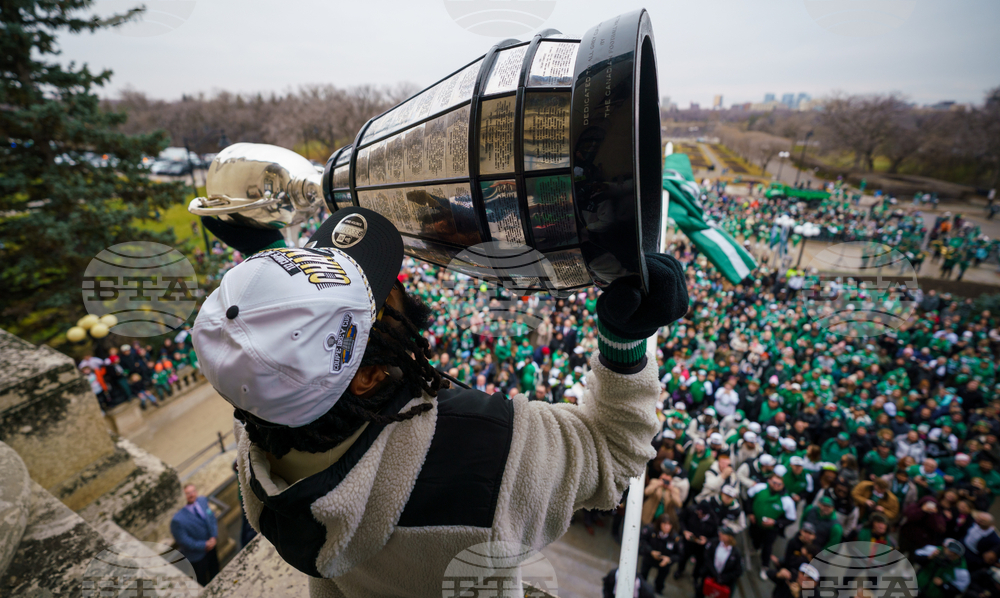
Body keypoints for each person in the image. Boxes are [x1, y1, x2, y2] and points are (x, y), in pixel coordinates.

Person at [195, 208, 689, 597]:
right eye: (378, 296)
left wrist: (275, 269)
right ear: (367, 375)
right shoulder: (489, 448)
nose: (396, 284)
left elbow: (277, 366)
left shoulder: (258, 433)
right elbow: (613, 452)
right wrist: (624, 344)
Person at [170, 484, 219, 586]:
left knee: (216, 572)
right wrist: (204, 545)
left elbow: (211, 519)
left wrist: (213, 537)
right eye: (188, 493)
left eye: (193, 491)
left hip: (212, 547)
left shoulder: (202, 500)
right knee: (202, 581)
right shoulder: (177, 519)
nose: (191, 495)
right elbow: (184, 541)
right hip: (197, 557)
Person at [638, 514, 684, 594]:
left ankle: (658, 590)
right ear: (659, 523)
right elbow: (642, 541)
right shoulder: (650, 530)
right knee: (643, 575)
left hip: (664, 563)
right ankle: (641, 589)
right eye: (664, 524)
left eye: (669, 524)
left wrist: (669, 559)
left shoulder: (675, 538)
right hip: (649, 558)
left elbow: (680, 554)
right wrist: (650, 551)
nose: (667, 527)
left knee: (661, 579)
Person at [695, 526, 743, 598]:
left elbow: (738, 571)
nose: (720, 534)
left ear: (729, 537)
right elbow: (707, 558)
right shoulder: (714, 543)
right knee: (701, 591)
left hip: (724, 581)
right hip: (710, 574)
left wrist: (723, 577)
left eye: (723, 533)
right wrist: (715, 573)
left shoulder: (736, 553)